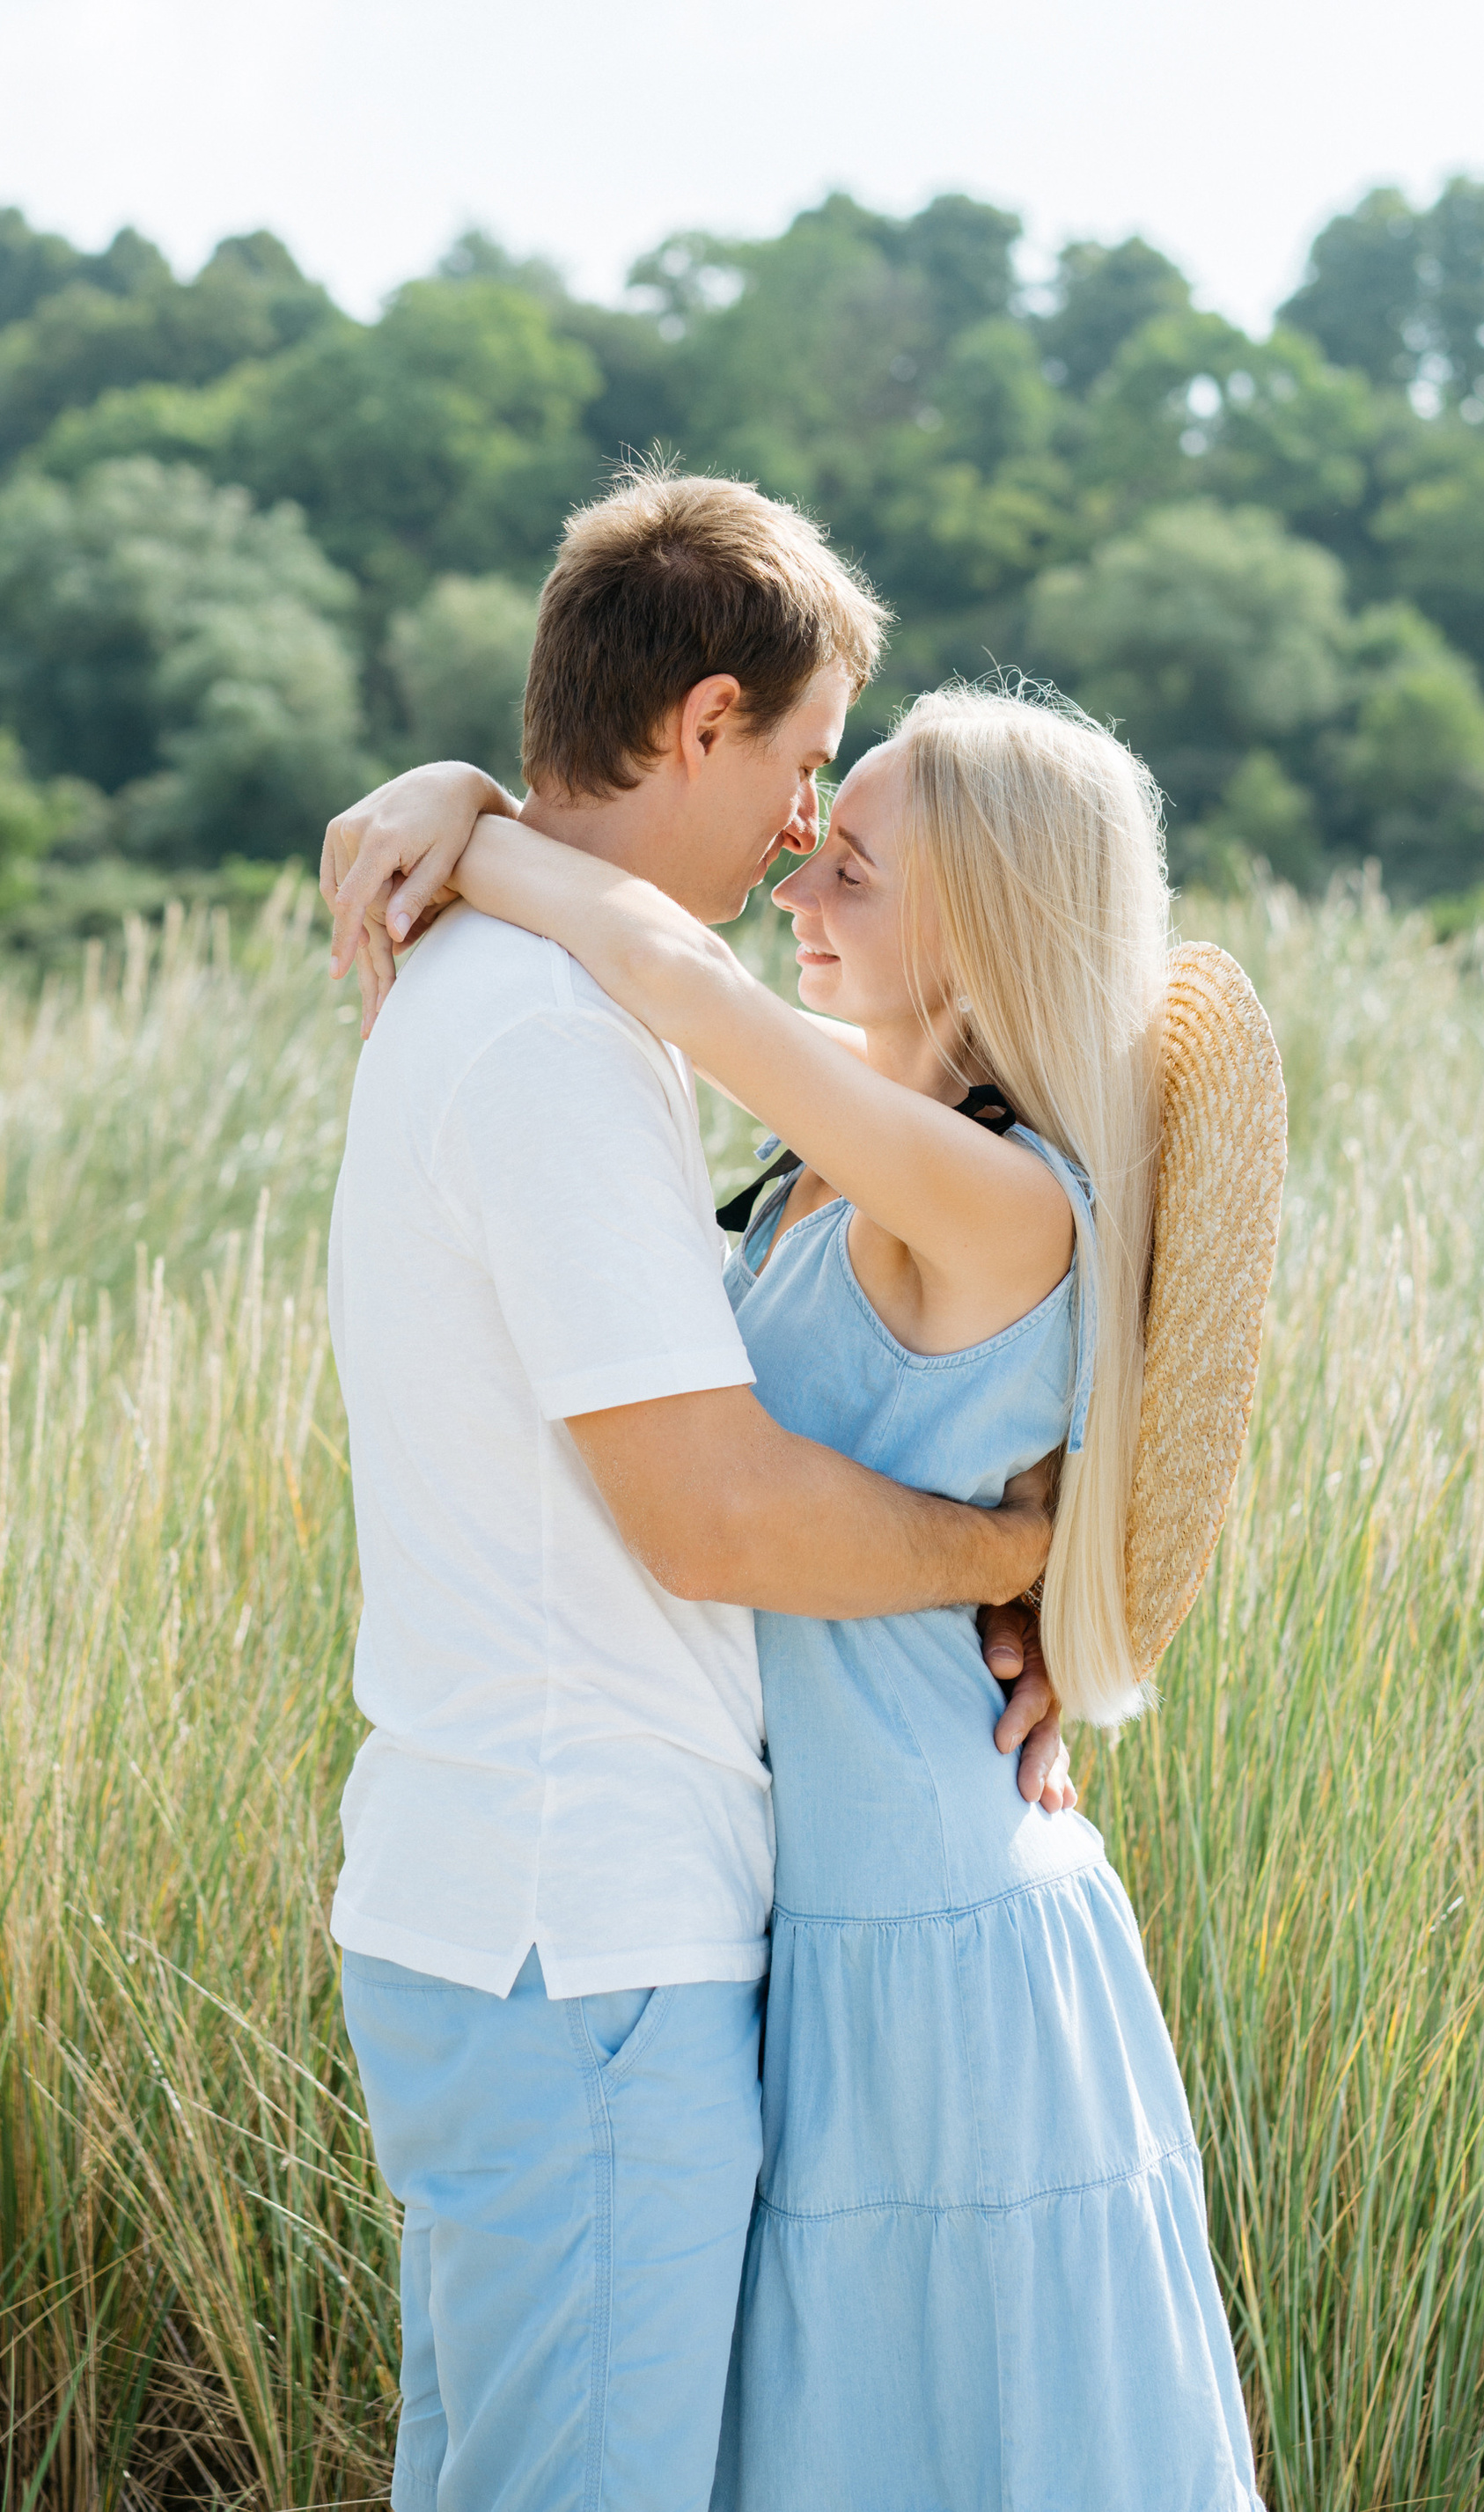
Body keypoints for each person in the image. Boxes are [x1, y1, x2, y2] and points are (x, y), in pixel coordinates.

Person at [333, 671, 1268, 2512]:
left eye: (848, 867)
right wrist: (470, 799)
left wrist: (473, 811)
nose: (793, 890)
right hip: (811, 1910)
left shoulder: (1008, 1202)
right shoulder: (835, 1151)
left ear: (983, 922)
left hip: (933, 1919)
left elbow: (667, 973)